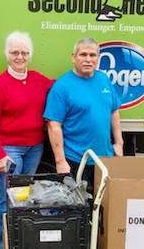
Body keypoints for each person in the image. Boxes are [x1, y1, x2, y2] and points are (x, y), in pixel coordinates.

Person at [0, 31, 54, 248]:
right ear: (7, 55)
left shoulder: (38, 80)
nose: (20, 57)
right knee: (8, 200)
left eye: (24, 52)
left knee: (24, 198)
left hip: (34, 148)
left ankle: (19, 240)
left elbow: (61, 86)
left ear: (30, 55)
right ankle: (1, 243)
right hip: (9, 150)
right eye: (15, 52)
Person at [43, 37, 123, 184]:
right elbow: (54, 126)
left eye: (92, 55)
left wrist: (119, 143)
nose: (88, 59)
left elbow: (114, 111)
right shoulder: (62, 86)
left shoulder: (103, 79)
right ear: (74, 57)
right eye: (83, 55)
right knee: (79, 206)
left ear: (98, 58)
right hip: (76, 160)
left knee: (103, 204)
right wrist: (60, 161)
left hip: (104, 159)